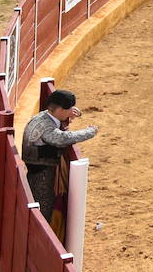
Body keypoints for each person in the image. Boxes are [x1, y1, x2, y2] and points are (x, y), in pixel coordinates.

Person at [21, 89, 98, 221]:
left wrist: (71, 113)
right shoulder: (47, 128)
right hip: (41, 176)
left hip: (36, 170)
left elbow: (60, 124)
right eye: (69, 109)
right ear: (61, 110)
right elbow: (63, 138)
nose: (71, 111)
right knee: (43, 210)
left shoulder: (42, 116)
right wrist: (90, 131)